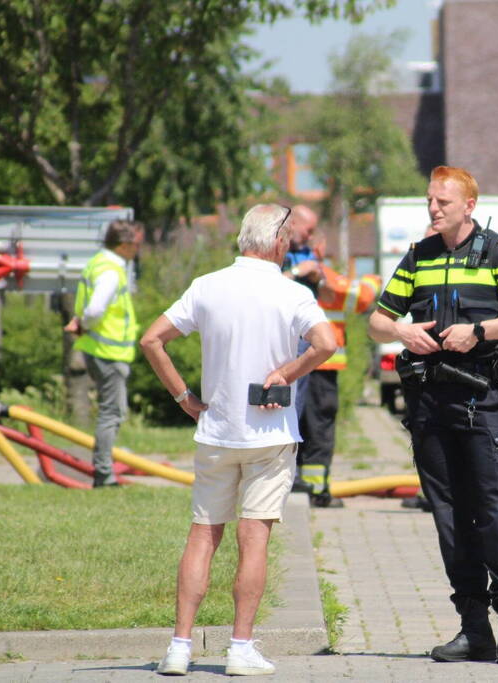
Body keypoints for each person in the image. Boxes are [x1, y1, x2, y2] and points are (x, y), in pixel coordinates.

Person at [140, 204, 336, 677]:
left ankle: (179, 647)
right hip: (270, 436)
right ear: (279, 242)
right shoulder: (292, 293)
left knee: (203, 535)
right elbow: (327, 344)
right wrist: (286, 372)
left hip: (216, 431)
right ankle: (240, 648)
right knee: (254, 540)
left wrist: (184, 398)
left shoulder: (207, 286)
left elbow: (151, 340)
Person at [368, 166, 498, 667]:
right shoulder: (419, 255)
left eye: (443, 202)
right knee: (450, 517)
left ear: (469, 205)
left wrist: (481, 331)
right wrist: (402, 332)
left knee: (496, 512)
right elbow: (377, 321)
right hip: (430, 406)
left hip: (483, 402)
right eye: (430, 200)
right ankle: (474, 629)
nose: (433, 209)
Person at [293, 229, 381, 508]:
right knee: (315, 427)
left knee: (302, 424)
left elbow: (360, 298)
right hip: (320, 365)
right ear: (319, 246)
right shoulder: (319, 277)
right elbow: (363, 297)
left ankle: (305, 485)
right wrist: (374, 279)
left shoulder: (299, 277)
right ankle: (313, 489)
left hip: (299, 364)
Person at [63, 219, 144, 488]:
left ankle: (103, 470)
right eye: (136, 244)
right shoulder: (110, 271)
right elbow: (96, 309)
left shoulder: (98, 263)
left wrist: (81, 323)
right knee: (112, 412)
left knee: (111, 411)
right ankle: (104, 474)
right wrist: (84, 324)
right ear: (123, 245)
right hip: (108, 352)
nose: (138, 249)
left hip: (101, 350)